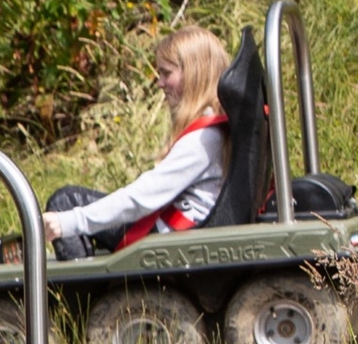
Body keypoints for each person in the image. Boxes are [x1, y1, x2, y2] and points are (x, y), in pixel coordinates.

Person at [42, 25, 232, 260]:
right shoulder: (214, 123)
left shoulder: (203, 139)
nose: (160, 83)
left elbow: (143, 198)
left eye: (166, 73)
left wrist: (68, 222)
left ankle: (86, 296)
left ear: (193, 74)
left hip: (168, 237)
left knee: (65, 202)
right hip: (176, 227)